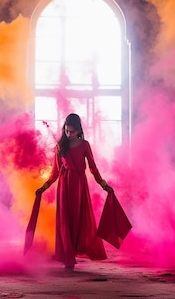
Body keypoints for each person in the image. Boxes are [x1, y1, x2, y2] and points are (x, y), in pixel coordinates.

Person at [36, 113, 113, 272]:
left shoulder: (85, 145)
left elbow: (93, 168)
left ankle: (76, 252)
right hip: (64, 188)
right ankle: (68, 259)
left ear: (79, 130)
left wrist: (103, 184)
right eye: (66, 131)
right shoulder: (60, 146)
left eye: (71, 131)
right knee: (65, 222)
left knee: (79, 221)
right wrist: (43, 188)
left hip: (79, 187)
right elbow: (55, 173)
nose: (68, 134)